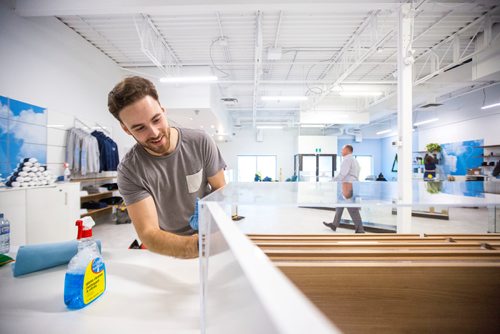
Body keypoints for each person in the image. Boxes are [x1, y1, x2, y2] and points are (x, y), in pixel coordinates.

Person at [108, 76, 226, 259]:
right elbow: (149, 233)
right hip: (168, 248)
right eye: (140, 128)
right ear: (126, 129)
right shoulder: (130, 171)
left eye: (156, 119)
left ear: (163, 110)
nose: (154, 133)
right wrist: (199, 246)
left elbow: (221, 191)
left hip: (208, 236)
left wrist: (220, 234)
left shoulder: (200, 142)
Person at [323, 145, 364, 233]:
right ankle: (334, 224)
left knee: (352, 208)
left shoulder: (347, 159)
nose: (341, 151)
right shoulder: (354, 160)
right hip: (353, 184)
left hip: (348, 185)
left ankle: (360, 229)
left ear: (347, 150)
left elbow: (342, 174)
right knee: (340, 203)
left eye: (342, 149)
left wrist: (331, 181)